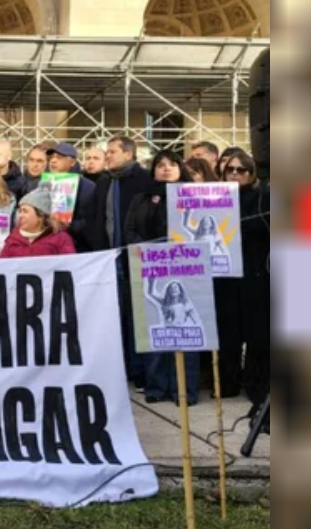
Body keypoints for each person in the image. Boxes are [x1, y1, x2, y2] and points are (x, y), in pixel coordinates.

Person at [125, 150, 199, 406]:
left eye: (172, 164)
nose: (166, 169)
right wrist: (152, 250)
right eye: (160, 165)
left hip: (186, 268)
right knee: (155, 328)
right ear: (153, 170)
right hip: (150, 265)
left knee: (184, 334)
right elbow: (129, 230)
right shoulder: (141, 198)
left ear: (181, 168)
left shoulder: (194, 196)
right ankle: (156, 387)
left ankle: (185, 390)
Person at [93, 135, 153, 390]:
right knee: (113, 316)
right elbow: (97, 219)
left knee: (136, 317)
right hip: (108, 258)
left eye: (112, 152)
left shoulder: (144, 180)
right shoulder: (104, 182)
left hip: (136, 257)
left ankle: (139, 372)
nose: (108, 156)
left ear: (129, 154)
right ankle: (121, 369)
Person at [215, 150, 270, 409]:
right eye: (230, 170)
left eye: (241, 170)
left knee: (257, 332)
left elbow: (265, 226)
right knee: (227, 330)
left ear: (251, 173)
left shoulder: (262, 197)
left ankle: (254, 383)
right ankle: (228, 383)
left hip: (254, 272)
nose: (235, 174)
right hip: (224, 274)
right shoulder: (214, 197)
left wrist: (235, 227)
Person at [47, 143, 97, 253]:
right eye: (52, 157)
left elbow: (92, 220)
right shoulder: (43, 184)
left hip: (78, 248)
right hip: (49, 246)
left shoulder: (88, 187)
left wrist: (70, 226)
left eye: (59, 157)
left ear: (72, 162)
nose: (53, 161)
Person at [0, 190, 76, 258]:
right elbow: (1, 265)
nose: (20, 215)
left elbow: (71, 264)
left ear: (40, 216)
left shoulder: (61, 239)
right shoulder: (13, 238)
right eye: (20, 211)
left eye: (25, 211)